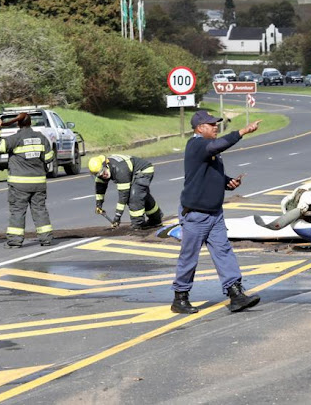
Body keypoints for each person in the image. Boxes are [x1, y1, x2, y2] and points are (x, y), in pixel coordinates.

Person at [171, 110, 262, 314]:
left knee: (224, 252)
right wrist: (243, 131)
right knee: (189, 257)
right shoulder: (196, 144)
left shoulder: (207, 148)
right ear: (199, 128)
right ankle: (180, 297)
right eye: (211, 124)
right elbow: (218, 144)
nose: (216, 127)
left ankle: (236, 294)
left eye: (216, 124)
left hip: (214, 213)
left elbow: (210, 173)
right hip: (195, 214)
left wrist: (227, 182)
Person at [0, 113, 54, 248]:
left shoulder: (15, 138)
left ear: (18, 124)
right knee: (40, 210)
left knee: (18, 211)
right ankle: (46, 239)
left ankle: (15, 241)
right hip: (38, 183)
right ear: (30, 123)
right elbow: (49, 158)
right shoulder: (41, 138)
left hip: (19, 185)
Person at [88, 154, 162, 230]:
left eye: (103, 172)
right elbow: (100, 187)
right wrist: (99, 204)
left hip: (144, 170)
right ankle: (156, 219)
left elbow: (123, 196)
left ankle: (138, 224)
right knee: (141, 195)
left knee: (134, 196)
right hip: (132, 173)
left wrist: (117, 217)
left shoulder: (120, 170)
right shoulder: (103, 172)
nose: (103, 175)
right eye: (99, 175)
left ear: (106, 165)